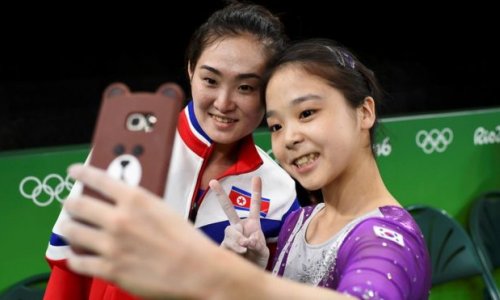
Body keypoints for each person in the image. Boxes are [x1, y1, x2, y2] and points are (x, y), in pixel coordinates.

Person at [59, 38, 431, 299]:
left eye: (307, 113)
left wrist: (224, 277)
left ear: (364, 112)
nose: (290, 138)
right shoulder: (299, 223)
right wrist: (253, 268)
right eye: (276, 125)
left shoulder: (387, 239)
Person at [44, 2, 299, 299]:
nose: (224, 102)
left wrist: (245, 276)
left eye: (246, 87)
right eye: (210, 80)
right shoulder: (129, 148)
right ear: (190, 69)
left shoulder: (279, 192)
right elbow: (69, 272)